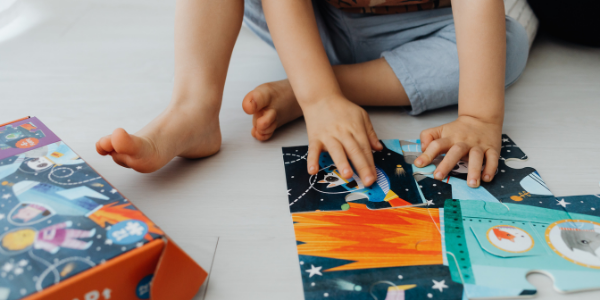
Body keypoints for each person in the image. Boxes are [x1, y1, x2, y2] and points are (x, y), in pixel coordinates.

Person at [96, 0, 529, 188]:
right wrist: (318, 98)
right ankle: (194, 105)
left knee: (502, 49)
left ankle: (309, 90)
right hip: (310, 28)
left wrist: (479, 117)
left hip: (417, 28)